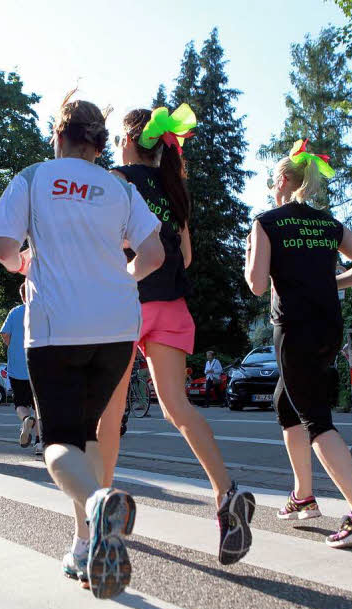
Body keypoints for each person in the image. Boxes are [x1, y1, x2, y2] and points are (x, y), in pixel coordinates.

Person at [0, 92, 165, 599]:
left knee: (58, 442)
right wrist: (122, 275)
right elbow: (153, 254)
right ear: (98, 145)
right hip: (116, 327)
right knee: (87, 435)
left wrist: (26, 265)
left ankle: (99, 504)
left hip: (57, 327)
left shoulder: (33, 177)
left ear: (57, 136)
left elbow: (4, 249)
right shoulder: (117, 187)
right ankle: (85, 546)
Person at [96, 105, 255, 568]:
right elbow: (183, 256)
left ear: (127, 143)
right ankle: (225, 494)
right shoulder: (173, 188)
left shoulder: (116, 179)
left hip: (127, 299)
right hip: (173, 304)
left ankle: (104, 510)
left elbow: (107, 236)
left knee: (111, 410)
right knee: (177, 407)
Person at [245, 138, 352, 549]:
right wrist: (331, 282)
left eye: (274, 182)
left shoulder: (267, 221)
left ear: (283, 181)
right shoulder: (329, 224)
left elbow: (256, 286)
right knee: (285, 402)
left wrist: (252, 253)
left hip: (294, 327)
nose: (272, 190)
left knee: (315, 419)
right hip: (329, 326)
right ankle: (303, 497)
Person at [0, 282, 42, 456]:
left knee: (20, 403)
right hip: (40, 365)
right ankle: (40, 443)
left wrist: (12, 345)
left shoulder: (15, 312)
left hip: (18, 366)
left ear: (22, 296)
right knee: (39, 406)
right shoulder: (44, 310)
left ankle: (26, 419)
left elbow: (5, 334)